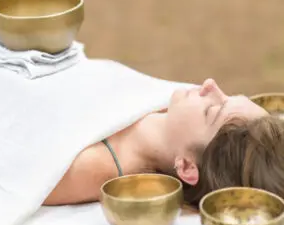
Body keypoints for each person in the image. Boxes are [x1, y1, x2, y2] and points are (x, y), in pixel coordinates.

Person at [44, 78, 269, 206]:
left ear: (187, 166)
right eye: (229, 96)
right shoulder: (173, 107)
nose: (210, 85)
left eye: (211, 110)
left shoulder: (93, 167)